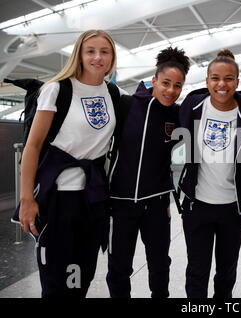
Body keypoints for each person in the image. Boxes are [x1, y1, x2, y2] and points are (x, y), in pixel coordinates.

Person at [18, 29, 125, 298]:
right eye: (90, 51)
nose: (97, 57)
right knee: (55, 279)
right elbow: (33, 146)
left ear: (112, 57)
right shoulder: (57, 89)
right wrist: (26, 200)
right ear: (79, 54)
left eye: (105, 51)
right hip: (57, 198)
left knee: (82, 275)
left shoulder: (113, 94)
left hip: (92, 199)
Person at [106, 47, 190, 298]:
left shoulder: (177, 115)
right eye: (165, 83)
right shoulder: (127, 104)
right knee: (119, 267)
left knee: (160, 265)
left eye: (177, 85)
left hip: (157, 203)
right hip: (120, 203)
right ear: (153, 80)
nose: (171, 90)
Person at [177, 50, 241, 298]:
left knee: (226, 273)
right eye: (215, 78)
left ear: (237, 82)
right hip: (197, 206)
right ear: (207, 81)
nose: (221, 84)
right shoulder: (193, 106)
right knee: (197, 272)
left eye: (228, 78)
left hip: (232, 209)